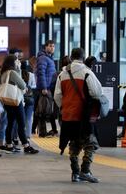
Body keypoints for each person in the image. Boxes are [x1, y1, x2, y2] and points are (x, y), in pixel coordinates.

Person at [54, 48, 103, 183]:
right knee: (91, 143)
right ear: (83, 57)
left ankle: (75, 172)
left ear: (71, 57)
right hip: (83, 115)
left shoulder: (62, 74)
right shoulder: (87, 72)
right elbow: (96, 92)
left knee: (74, 143)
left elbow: (57, 96)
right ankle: (85, 171)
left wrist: (64, 107)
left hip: (68, 115)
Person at [0, 55, 39, 154]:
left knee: (10, 122)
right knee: (21, 123)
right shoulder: (13, 72)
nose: (19, 62)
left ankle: (9, 145)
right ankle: (26, 145)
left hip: (7, 100)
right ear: (13, 62)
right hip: (16, 101)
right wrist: (19, 69)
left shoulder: (3, 72)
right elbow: (22, 84)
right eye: (17, 61)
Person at [36, 40, 57, 137]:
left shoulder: (49, 58)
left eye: (53, 46)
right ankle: (42, 132)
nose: (52, 48)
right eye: (50, 46)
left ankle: (43, 132)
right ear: (46, 47)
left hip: (49, 87)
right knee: (43, 111)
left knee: (45, 110)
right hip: (46, 88)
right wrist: (44, 87)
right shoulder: (43, 58)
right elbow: (41, 73)